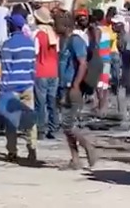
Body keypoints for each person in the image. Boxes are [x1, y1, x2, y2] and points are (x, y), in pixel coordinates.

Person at [56, 11, 98, 169]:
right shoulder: (64, 41)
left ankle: (88, 147)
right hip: (63, 87)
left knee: (68, 124)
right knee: (66, 126)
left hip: (72, 88)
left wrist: (75, 85)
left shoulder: (75, 41)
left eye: (57, 23)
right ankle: (75, 159)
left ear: (65, 25)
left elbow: (83, 64)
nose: (54, 26)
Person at [0, 14, 38, 164]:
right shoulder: (30, 43)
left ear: (12, 26)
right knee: (30, 119)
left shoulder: (7, 45)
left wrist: (2, 89)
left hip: (12, 87)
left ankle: (12, 151)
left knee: (11, 121)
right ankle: (32, 148)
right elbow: (32, 67)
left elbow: (6, 69)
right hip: (27, 85)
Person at [33, 7, 60, 140]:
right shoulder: (54, 35)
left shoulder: (38, 35)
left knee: (40, 103)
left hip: (41, 71)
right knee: (52, 101)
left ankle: (41, 130)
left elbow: (35, 53)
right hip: (53, 71)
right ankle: (53, 127)